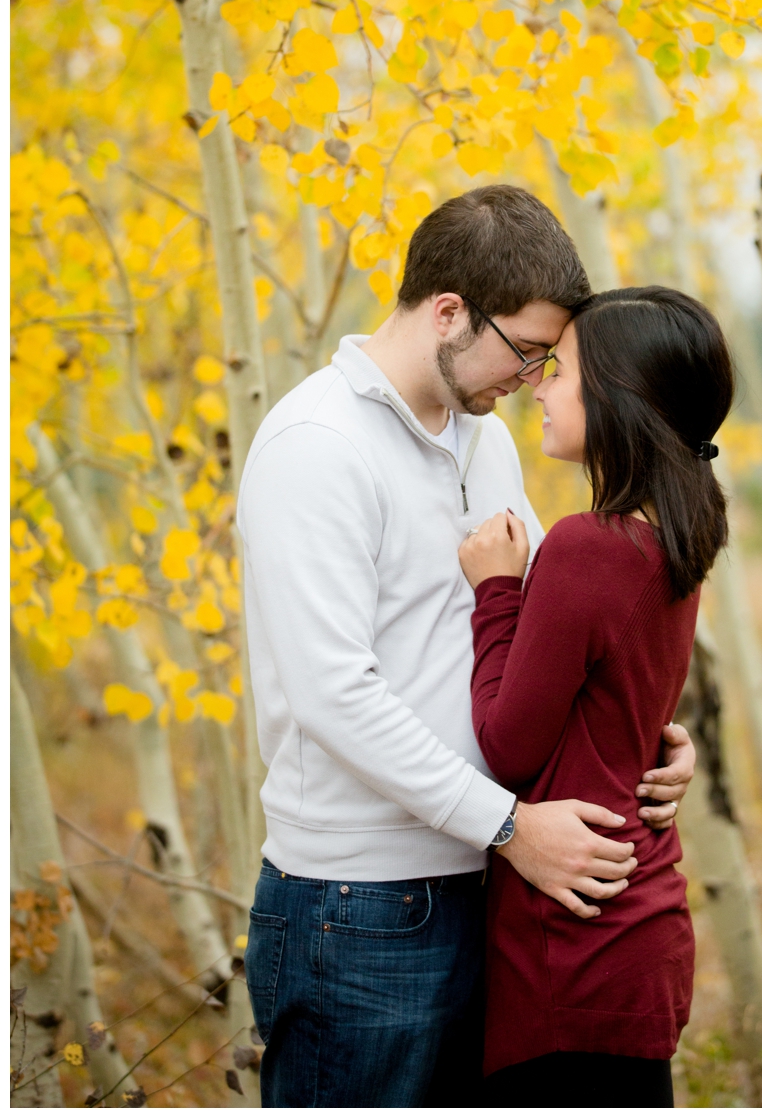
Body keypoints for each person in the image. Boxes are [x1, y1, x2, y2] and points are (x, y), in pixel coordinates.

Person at [236, 187, 697, 1106]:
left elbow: (541, 639)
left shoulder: (482, 443)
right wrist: (509, 825)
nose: (532, 382)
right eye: (527, 351)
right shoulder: (314, 445)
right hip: (358, 910)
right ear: (448, 311)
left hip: (487, 888)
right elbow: (335, 693)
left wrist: (643, 730)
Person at [460, 286, 733, 1106]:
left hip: (574, 945)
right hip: (636, 930)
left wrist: (497, 592)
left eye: (562, 370)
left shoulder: (588, 547)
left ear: (620, 399)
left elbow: (507, 747)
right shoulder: (668, 541)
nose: (538, 385)